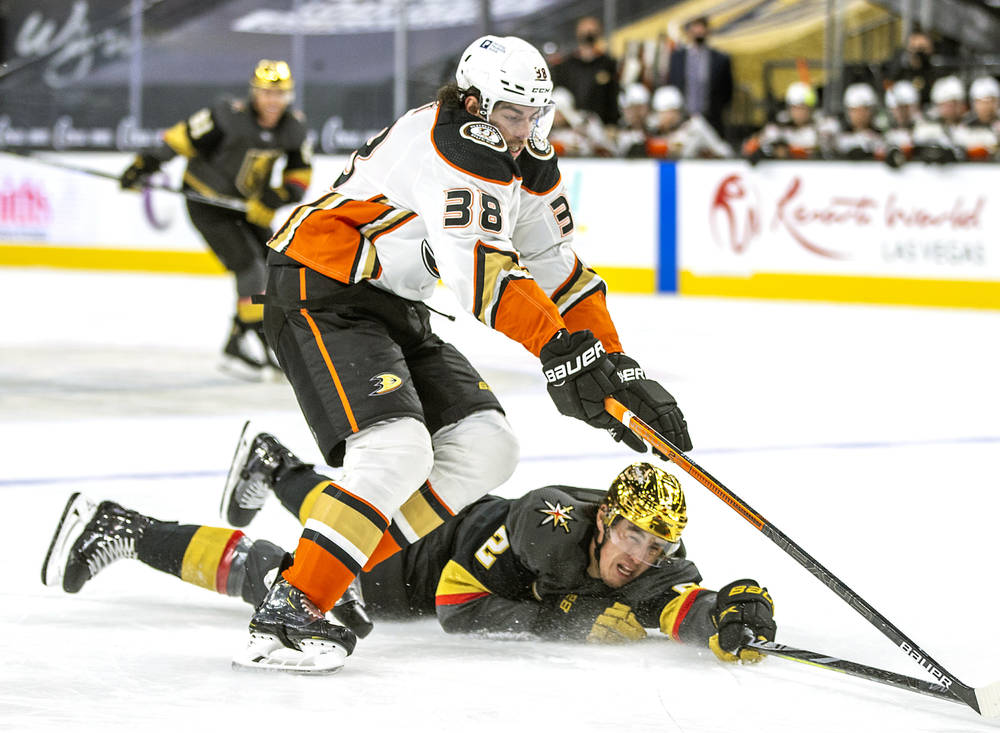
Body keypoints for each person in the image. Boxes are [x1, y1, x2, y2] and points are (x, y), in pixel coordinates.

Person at [238, 36, 692, 670]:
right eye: (512, 114)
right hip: (323, 289)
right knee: (396, 450)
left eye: (536, 114)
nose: (525, 129)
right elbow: (482, 271)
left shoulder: (522, 152)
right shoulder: (448, 146)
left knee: (487, 447)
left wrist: (615, 364)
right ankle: (294, 607)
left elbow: (560, 270)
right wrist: (560, 348)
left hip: (393, 303)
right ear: (475, 104)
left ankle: (333, 573)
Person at [42, 457, 777, 671]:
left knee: (339, 513)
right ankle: (128, 528)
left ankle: (274, 463)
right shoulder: (548, 524)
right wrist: (568, 620)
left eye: (654, 546)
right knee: (288, 576)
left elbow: (679, 605)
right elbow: (461, 612)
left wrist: (724, 615)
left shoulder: (649, 558)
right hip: (410, 568)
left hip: (433, 520)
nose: (636, 556)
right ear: (603, 518)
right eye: (628, 535)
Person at [118, 60, 313, 381]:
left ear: (289, 96)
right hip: (206, 201)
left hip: (246, 206)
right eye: (266, 93)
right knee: (250, 268)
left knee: (275, 265)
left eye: (279, 94)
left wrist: (273, 198)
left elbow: (300, 176)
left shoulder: (294, 127)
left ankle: (241, 336)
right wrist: (143, 166)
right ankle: (254, 333)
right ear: (254, 93)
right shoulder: (227, 116)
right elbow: (180, 139)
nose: (272, 101)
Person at [667, 16, 734, 138]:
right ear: (688, 31)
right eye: (695, 26)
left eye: (702, 26)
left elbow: (727, 92)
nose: (699, 31)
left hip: (711, 120)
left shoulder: (720, 59)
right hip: (684, 119)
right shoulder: (677, 57)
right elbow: (672, 84)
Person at [550, 16, 621, 126]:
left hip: (601, 125)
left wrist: (612, 124)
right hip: (571, 124)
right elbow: (559, 94)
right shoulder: (566, 65)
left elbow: (613, 96)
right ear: (578, 33)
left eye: (592, 31)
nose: (588, 34)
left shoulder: (608, 64)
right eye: (585, 31)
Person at [741, 81, 835, 161]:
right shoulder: (779, 124)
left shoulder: (824, 124)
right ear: (789, 108)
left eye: (803, 108)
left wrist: (789, 151)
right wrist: (766, 150)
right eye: (795, 108)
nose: (799, 112)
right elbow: (750, 146)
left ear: (812, 108)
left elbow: (825, 151)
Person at [645, 84, 734, 159]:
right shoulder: (649, 129)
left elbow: (724, 151)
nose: (670, 116)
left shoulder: (695, 126)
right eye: (665, 113)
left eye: (673, 112)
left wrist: (709, 155)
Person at [883, 28, 937, 107]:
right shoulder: (899, 68)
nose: (918, 53)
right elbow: (889, 83)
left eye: (921, 49)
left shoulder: (934, 67)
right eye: (914, 48)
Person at [832, 83, 885, 161]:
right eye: (855, 110)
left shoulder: (881, 140)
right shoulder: (839, 140)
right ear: (848, 112)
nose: (860, 115)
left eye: (865, 110)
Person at [610, 82, 653, 157]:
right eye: (632, 108)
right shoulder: (614, 134)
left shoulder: (657, 132)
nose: (636, 113)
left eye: (640, 107)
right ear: (623, 110)